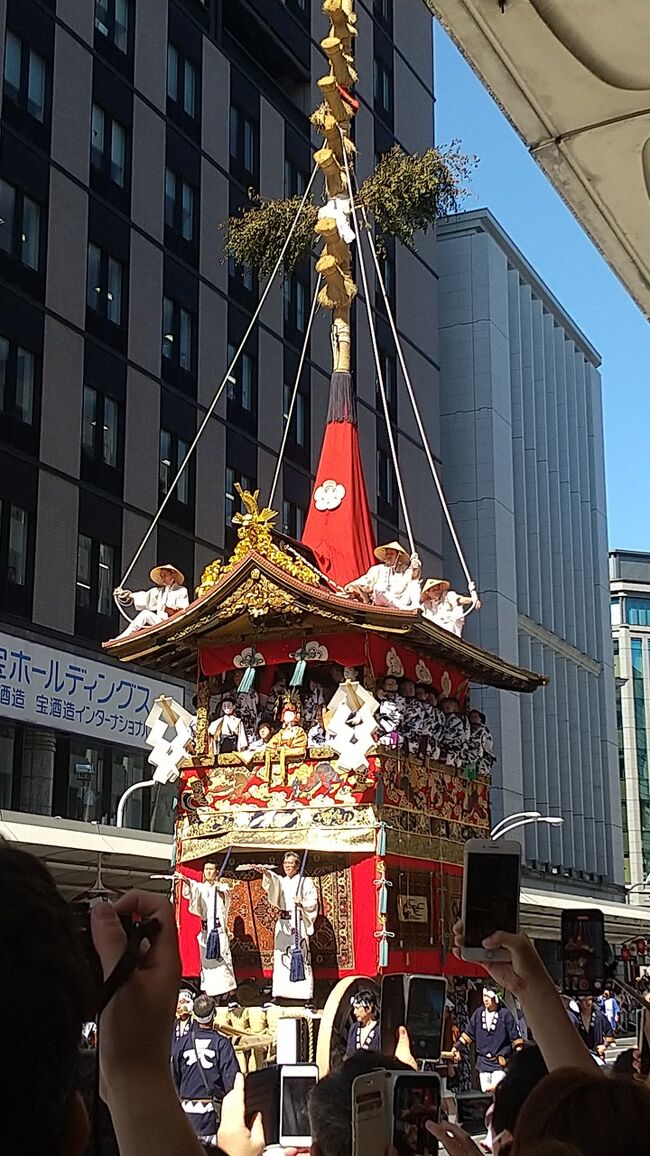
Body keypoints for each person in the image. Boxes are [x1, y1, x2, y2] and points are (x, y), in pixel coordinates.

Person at [171, 993, 239, 1147]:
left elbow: (174, 1075)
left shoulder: (181, 1043)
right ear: (214, 1014)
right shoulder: (221, 1044)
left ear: (194, 1014)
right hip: (211, 1116)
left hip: (186, 1115)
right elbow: (232, 1083)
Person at [255, 852, 318, 1001]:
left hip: (298, 921)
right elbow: (274, 882)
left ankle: (304, 994)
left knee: (301, 956)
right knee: (281, 957)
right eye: (286, 863)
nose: (288, 866)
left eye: (291, 863)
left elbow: (313, 902)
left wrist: (301, 903)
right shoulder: (282, 881)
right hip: (283, 924)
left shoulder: (305, 882)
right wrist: (267, 873)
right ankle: (281, 993)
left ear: (297, 865)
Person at [452, 988, 525, 1094]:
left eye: (489, 997)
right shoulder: (478, 1014)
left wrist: (519, 1056)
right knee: (486, 1093)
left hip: (500, 1063)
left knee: (499, 1091)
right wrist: (456, 1047)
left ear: (495, 998)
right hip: (483, 1062)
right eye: (484, 996)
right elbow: (468, 1034)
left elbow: (515, 1038)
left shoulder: (505, 1015)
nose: (486, 999)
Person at [181, 862, 236, 999]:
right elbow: (192, 891)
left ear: (216, 871)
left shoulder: (222, 887)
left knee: (224, 962)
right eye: (206, 869)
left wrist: (220, 891)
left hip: (219, 930)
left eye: (212, 869)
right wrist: (187, 882)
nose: (209, 872)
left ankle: (231, 995)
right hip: (206, 932)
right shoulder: (200, 887)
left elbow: (227, 897)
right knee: (207, 964)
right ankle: (209, 994)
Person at [114, 563, 189, 638]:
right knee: (145, 614)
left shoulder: (181, 590)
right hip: (161, 622)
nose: (163, 579)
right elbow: (145, 596)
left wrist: (173, 609)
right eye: (161, 576)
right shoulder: (159, 591)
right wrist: (126, 594)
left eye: (165, 576)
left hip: (174, 623)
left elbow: (184, 609)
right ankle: (124, 636)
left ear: (172, 575)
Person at [345, 541, 422, 609]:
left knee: (414, 584)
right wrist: (352, 586)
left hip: (401, 602)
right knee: (378, 587)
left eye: (391, 553)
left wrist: (415, 566)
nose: (388, 556)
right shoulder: (378, 569)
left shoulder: (404, 570)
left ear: (398, 556)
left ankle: (412, 606)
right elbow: (365, 582)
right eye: (387, 553)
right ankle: (400, 608)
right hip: (381, 602)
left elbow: (414, 578)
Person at [345, 989, 381, 1057]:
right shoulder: (353, 1029)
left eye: (357, 1008)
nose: (354, 1012)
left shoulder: (379, 1031)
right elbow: (348, 1054)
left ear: (368, 1009)